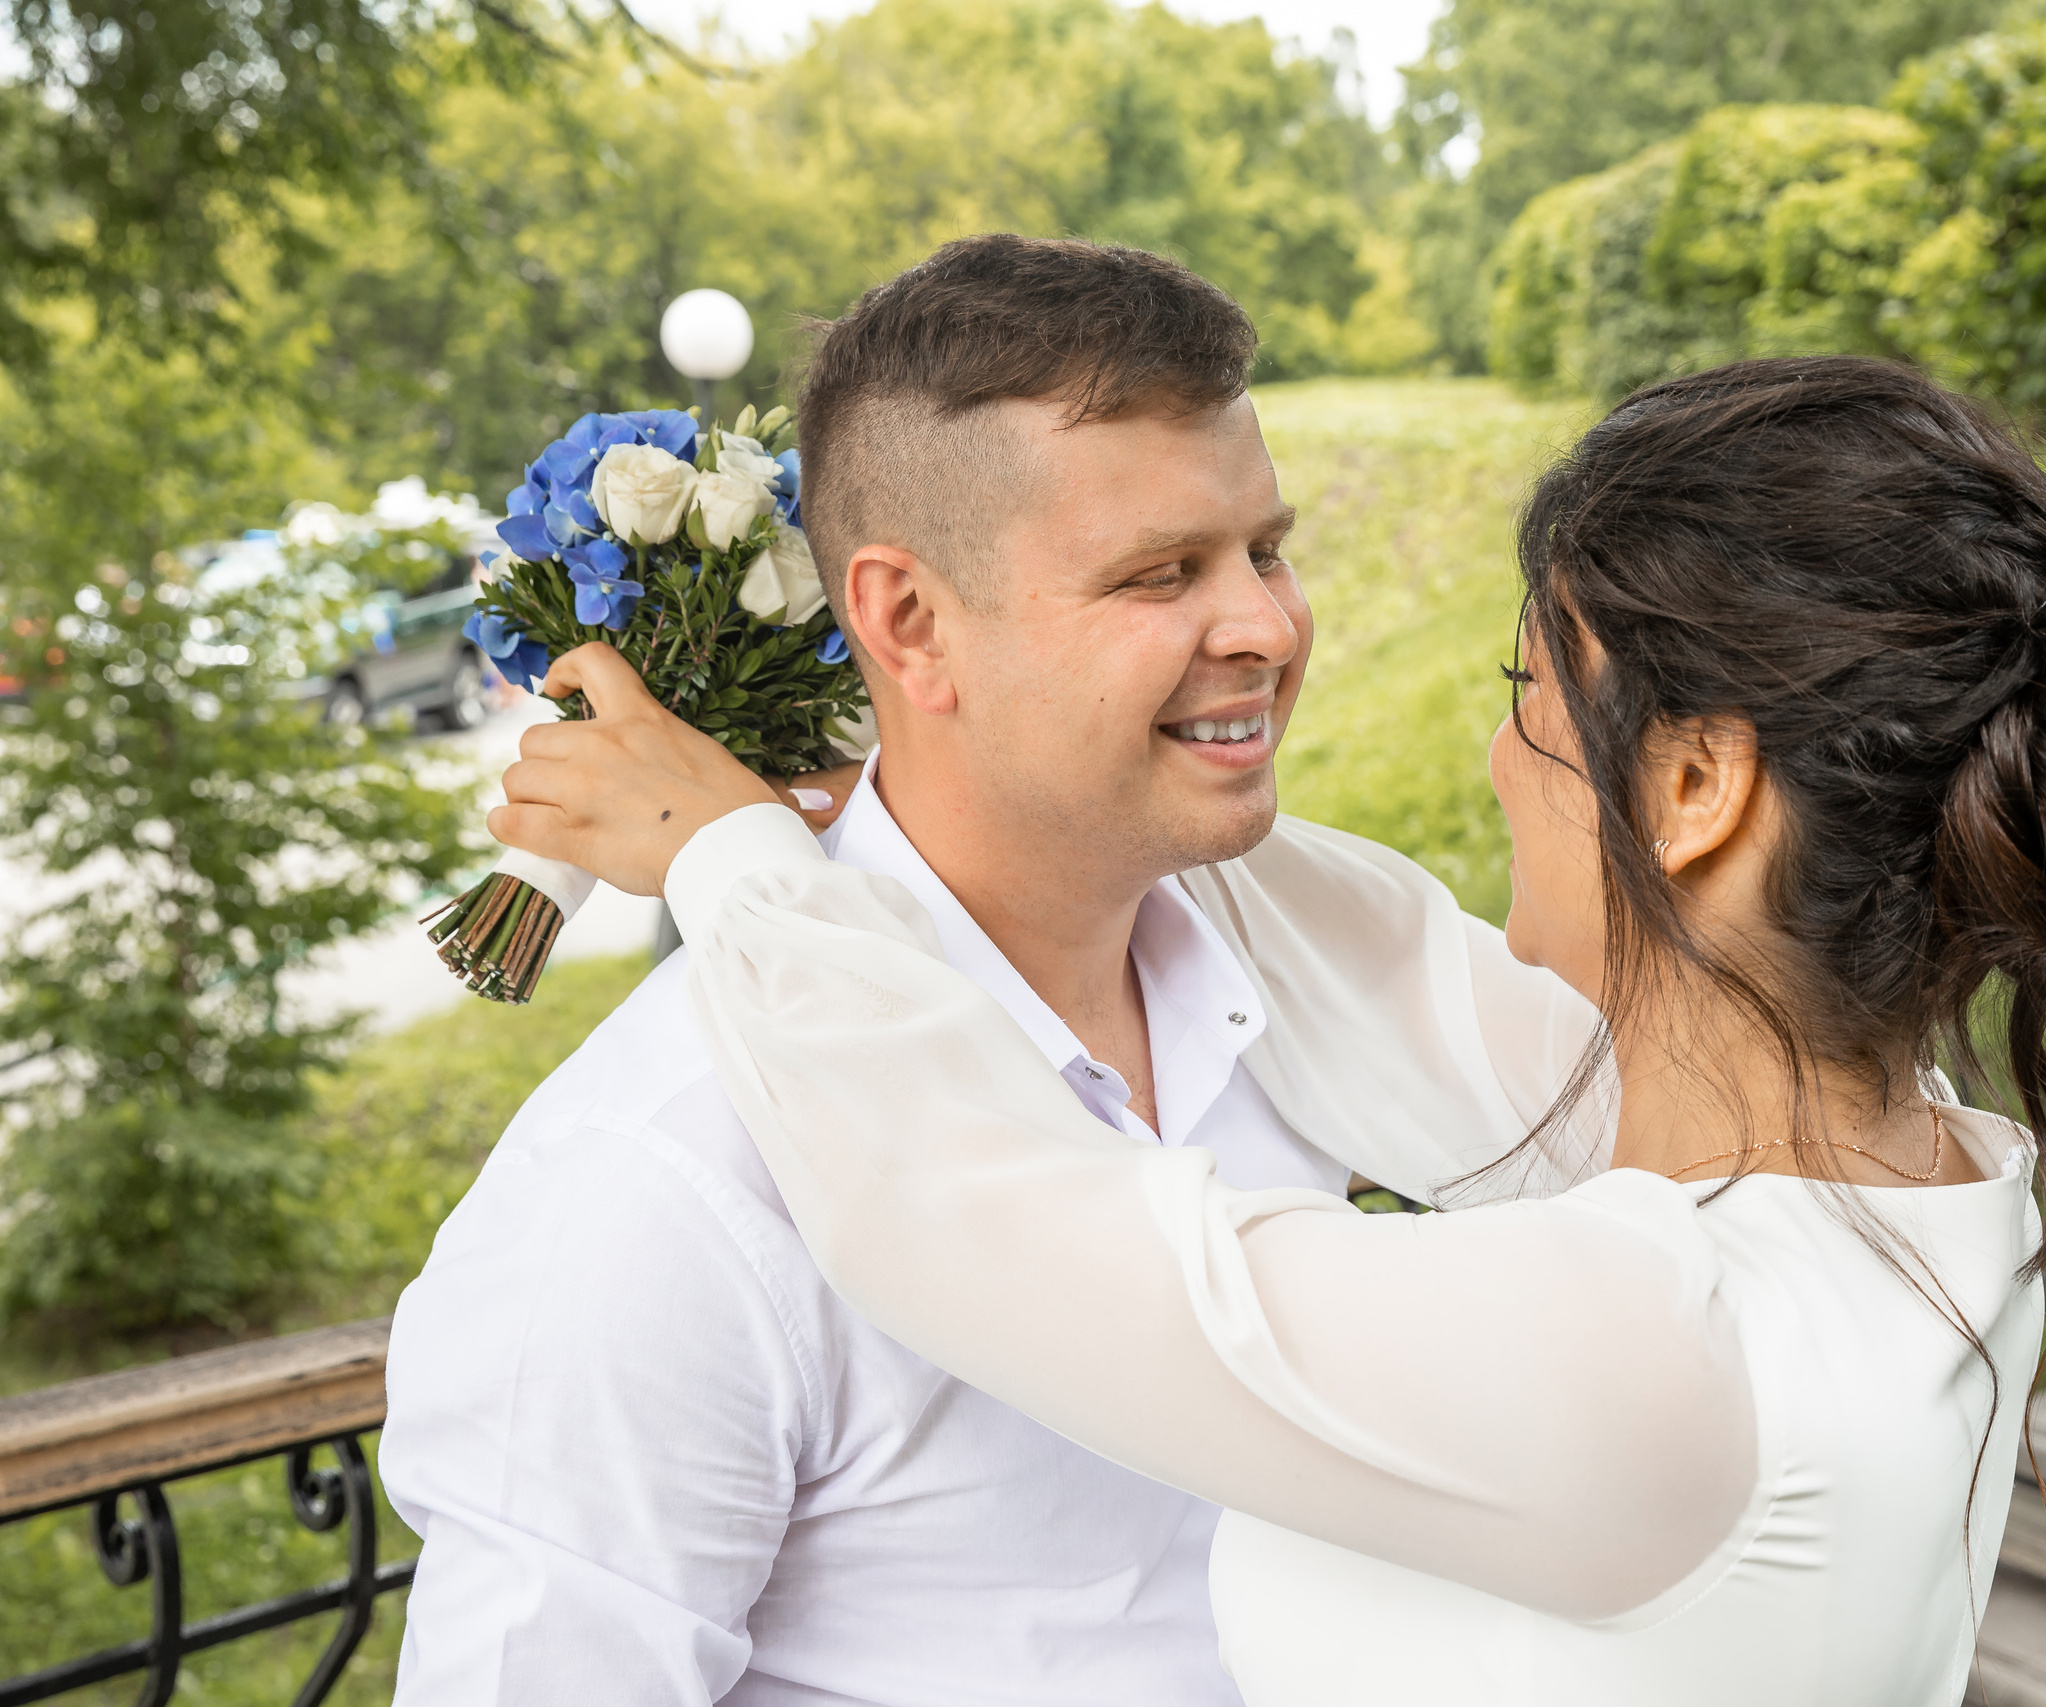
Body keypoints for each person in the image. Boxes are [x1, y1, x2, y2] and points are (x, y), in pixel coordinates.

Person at [493, 356, 2046, 1704]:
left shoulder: (1657, 1346)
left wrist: (730, 865)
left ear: (1689, 783)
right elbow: (1399, 975)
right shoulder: (1927, 1169)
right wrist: (1025, 746)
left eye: (1532, 686)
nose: (1499, 749)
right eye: (1167, 573)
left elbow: (980, 1215)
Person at [380, 235, 1598, 1704]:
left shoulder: (1301, 983)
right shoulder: (656, 1186)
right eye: (1161, 575)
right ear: (906, 621)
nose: (1269, 627)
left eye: (1265, 549)